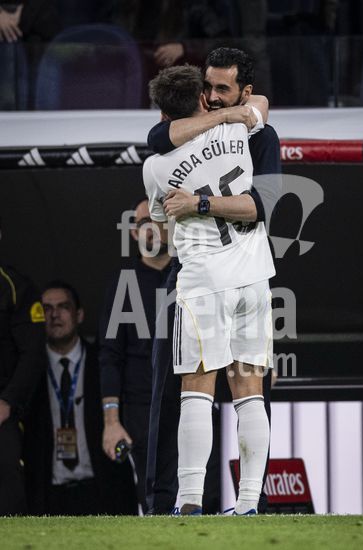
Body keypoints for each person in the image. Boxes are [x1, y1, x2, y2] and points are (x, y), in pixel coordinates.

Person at [146, 47, 281, 515]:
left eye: (224, 89)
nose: (216, 96)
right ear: (201, 97)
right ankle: (248, 504)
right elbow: (258, 108)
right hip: (255, 275)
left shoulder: (156, 164)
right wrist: (233, 115)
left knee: (196, 391)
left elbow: (164, 221)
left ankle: (188, 501)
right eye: (210, 88)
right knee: (249, 391)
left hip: (204, 280)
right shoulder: (240, 129)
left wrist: (197, 204)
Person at [24, 280, 135, 515]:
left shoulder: (104, 364)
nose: (54, 315)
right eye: (46, 309)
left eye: (63, 307)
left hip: (103, 490)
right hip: (47, 496)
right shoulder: (27, 371)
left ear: (79, 314)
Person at [98, 197, 171, 514]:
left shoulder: (191, 274)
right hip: (142, 410)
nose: (152, 228)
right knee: (153, 501)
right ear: (133, 232)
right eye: (144, 223)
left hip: (192, 401)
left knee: (200, 499)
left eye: (159, 220)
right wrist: (112, 422)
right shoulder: (122, 282)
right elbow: (109, 356)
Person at [0, 217, 46, 515]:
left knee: (9, 486)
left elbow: (32, 353)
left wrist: (7, 402)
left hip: (2, 411)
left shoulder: (14, 286)